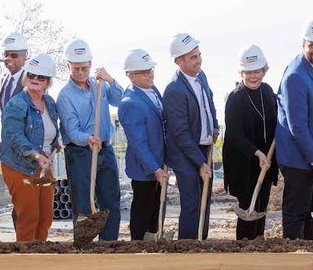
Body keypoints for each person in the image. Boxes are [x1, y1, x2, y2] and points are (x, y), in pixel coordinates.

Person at [58, 38, 124, 241]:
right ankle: (84, 247)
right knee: (84, 204)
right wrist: (87, 139)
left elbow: (120, 99)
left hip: (105, 149)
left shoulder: (100, 85)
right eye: (75, 68)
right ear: (68, 66)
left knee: (110, 200)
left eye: (84, 68)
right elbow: (72, 130)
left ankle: (108, 244)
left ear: (91, 64)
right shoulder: (65, 96)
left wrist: (111, 80)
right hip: (80, 153)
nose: (80, 72)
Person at [276, 17, 313, 240]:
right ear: (303, 44)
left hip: (309, 157)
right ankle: (292, 260)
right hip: (298, 159)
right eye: (312, 45)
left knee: (310, 213)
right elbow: (297, 125)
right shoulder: (296, 76)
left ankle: (309, 259)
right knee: (296, 214)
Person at [163, 33, 219, 240]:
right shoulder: (174, 90)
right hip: (184, 153)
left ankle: (201, 241)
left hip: (204, 147)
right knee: (192, 202)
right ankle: (187, 246)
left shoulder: (200, 76)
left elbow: (209, 101)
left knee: (205, 200)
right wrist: (200, 163)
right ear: (179, 61)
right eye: (193, 57)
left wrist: (214, 126)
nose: (198, 60)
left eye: (198, 55)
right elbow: (180, 133)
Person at [0, 54, 61, 241]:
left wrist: (56, 144)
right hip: (19, 165)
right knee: (29, 216)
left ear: (47, 82)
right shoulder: (17, 104)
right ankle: (24, 259)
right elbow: (14, 136)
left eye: (41, 77)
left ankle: (40, 256)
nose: (35, 79)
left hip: (43, 163)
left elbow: (51, 130)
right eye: (32, 75)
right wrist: (35, 154)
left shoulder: (49, 103)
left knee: (45, 216)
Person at [223, 45, 279, 240]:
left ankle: (258, 243)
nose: (254, 76)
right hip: (244, 164)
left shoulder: (267, 91)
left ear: (264, 70)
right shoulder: (235, 98)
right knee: (248, 206)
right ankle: (245, 247)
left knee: (262, 206)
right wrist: (257, 153)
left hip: (267, 161)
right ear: (241, 72)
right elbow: (235, 135)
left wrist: (268, 154)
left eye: (257, 71)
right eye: (248, 72)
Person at [118, 49, 168, 241]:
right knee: (142, 209)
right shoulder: (130, 103)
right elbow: (138, 143)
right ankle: (137, 244)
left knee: (155, 208)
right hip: (145, 169)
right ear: (131, 76)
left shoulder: (153, 90)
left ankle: (151, 242)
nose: (150, 74)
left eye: (151, 69)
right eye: (144, 72)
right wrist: (154, 168)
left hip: (158, 162)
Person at [0, 33, 30, 113]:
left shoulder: (32, 81)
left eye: (14, 55)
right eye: (6, 54)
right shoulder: (2, 79)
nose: (8, 58)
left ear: (24, 56)